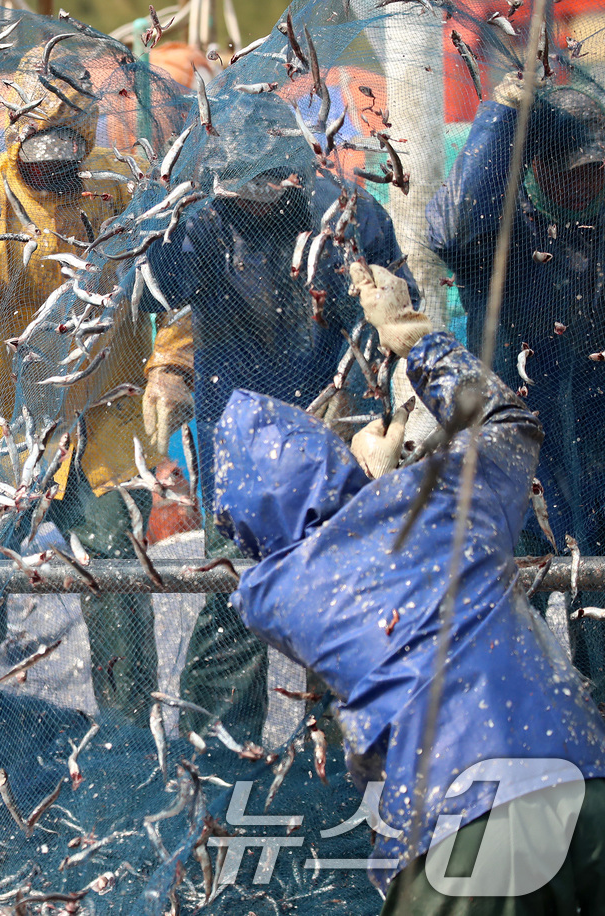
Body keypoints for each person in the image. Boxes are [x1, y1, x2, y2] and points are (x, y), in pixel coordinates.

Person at [212, 260, 605, 913]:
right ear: (331, 461)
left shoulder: (272, 598)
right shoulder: (431, 505)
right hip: (583, 783)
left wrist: (380, 488)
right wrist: (411, 335)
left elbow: (336, 557)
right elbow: (506, 424)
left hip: (461, 836)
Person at [0, 41, 193, 721]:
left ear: (85, 134)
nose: (49, 167)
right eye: (37, 150)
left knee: (116, 582)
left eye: (63, 149)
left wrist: (173, 364)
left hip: (106, 427)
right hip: (4, 431)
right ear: (13, 132)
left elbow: (180, 284)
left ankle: (126, 754)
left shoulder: (123, 192)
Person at [136, 94, 419, 739]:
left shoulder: (347, 213)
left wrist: (370, 392)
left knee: (343, 589)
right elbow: (158, 285)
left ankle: (347, 746)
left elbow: (393, 314)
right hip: (233, 427)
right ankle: (215, 756)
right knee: (235, 591)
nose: (258, 197)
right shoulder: (201, 222)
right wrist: (171, 368)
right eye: (241, 186)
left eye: (271, 182)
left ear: (295, 168)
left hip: (334, 424)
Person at [428, 78, 605, 704]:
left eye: (595, 173)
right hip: (507, 446)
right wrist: (501, 118)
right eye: (567, 174)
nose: (581, 189)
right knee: (503, 606)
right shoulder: (495, 236)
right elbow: (447, 232)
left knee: (600, 605)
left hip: (594, 450)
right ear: (533, 168)